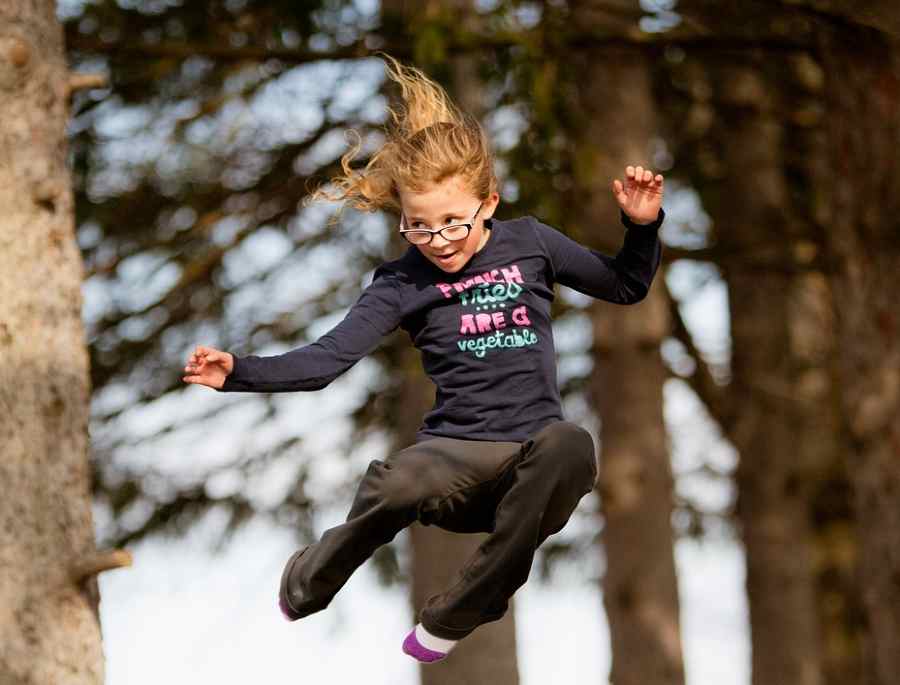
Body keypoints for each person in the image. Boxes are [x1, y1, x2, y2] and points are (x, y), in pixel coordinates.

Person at [182, 53, 665, 664]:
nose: (437, 242)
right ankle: (310, 578)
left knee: (572, 444)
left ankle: (456, 614)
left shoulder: (532, 243)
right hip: (454, 462)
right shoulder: (402, 282)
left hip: (531, 464)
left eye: (452, 224)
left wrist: (640, 228)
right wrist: (239, 373)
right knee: (398, 478)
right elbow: (327, 360)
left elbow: (625, 285)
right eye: (418, 227)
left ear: (488, 204)